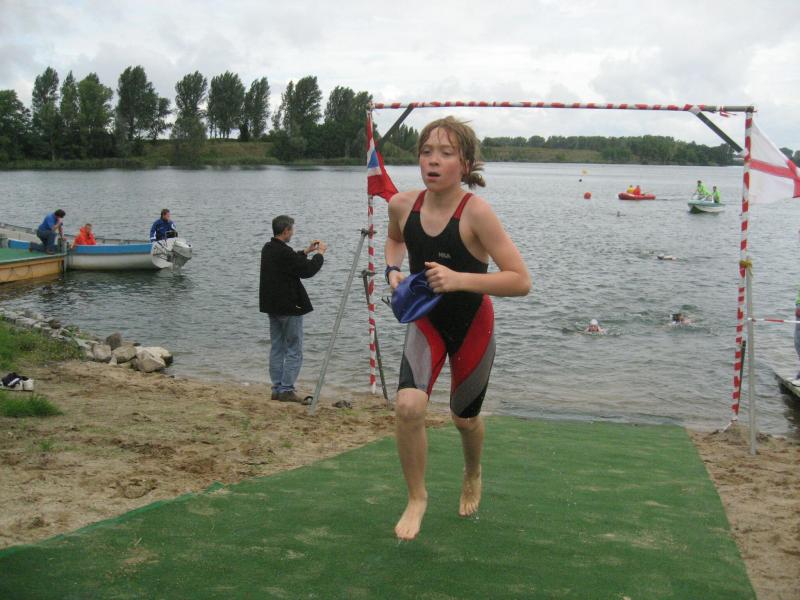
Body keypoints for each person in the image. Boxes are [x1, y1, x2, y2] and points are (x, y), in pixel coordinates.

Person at [384, 116, 531, 541]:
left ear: (465, 164)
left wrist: (459, 279)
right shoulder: (402, 205)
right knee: (408, 407)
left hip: (471, 324)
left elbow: (520, 280)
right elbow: (394, 240)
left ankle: (472, 469)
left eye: (445, 153)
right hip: (426, 320)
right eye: (426, 152)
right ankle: (417, 497)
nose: (433, 161)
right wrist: (393, 270)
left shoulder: (476, 213)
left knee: (463, 419)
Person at [259, 215, 326, 404]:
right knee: (294, 349)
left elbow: (291, 262)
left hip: (273, 306)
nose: (293, 233)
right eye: (292, 229)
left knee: (277, 347)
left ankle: (277, 388)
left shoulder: (268, 248)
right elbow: (307, 271)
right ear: (286, 230)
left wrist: (306, 251)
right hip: (289, 307)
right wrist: (320, 254)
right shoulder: (284, 252)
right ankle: (286, 389)